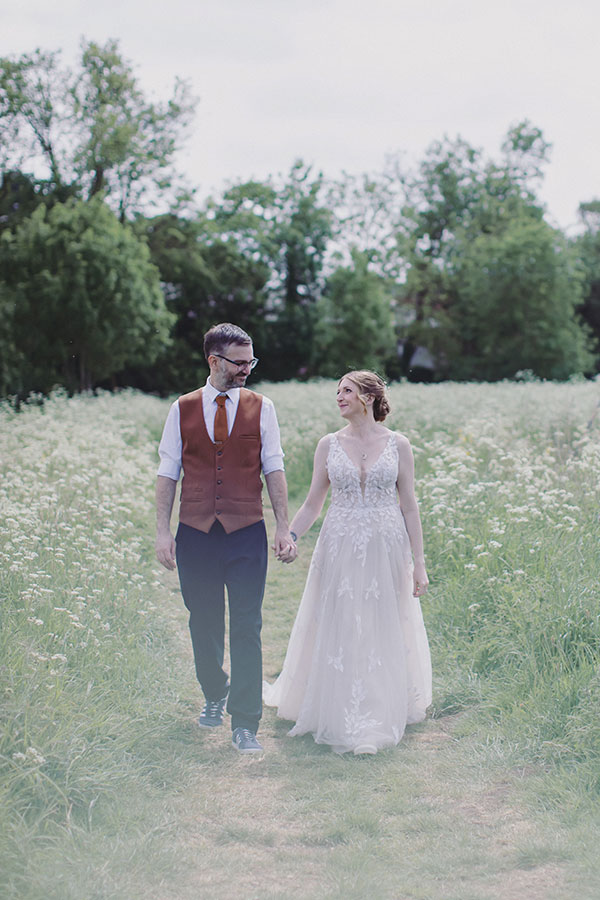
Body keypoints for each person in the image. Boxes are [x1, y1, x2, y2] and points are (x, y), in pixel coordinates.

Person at [264, 371, 432, 755]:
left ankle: (375, 715)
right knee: (341, 620)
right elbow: (312, 504)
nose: (338, 397)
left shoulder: (399, 445)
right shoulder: (328, 445)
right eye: (337, 391)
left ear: (369, 397)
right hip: (338, 544)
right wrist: (291, 536)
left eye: (347, 391)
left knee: (379, 623)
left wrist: (419, 563)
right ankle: (336, 709)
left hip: (386, 546)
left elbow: (409, 506)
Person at [155, 323, 297, 755]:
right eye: (239, 362)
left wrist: (282, 526)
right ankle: (215, 691)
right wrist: (162, 531)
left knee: (247, 624)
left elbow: (274, 467)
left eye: (251, 361)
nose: (247, 369)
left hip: (246, 532)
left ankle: (245, 722)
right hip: (196, 533)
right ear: (214, 361)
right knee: (203, 621)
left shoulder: (263, 407)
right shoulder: (181, 409)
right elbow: (167, 473)